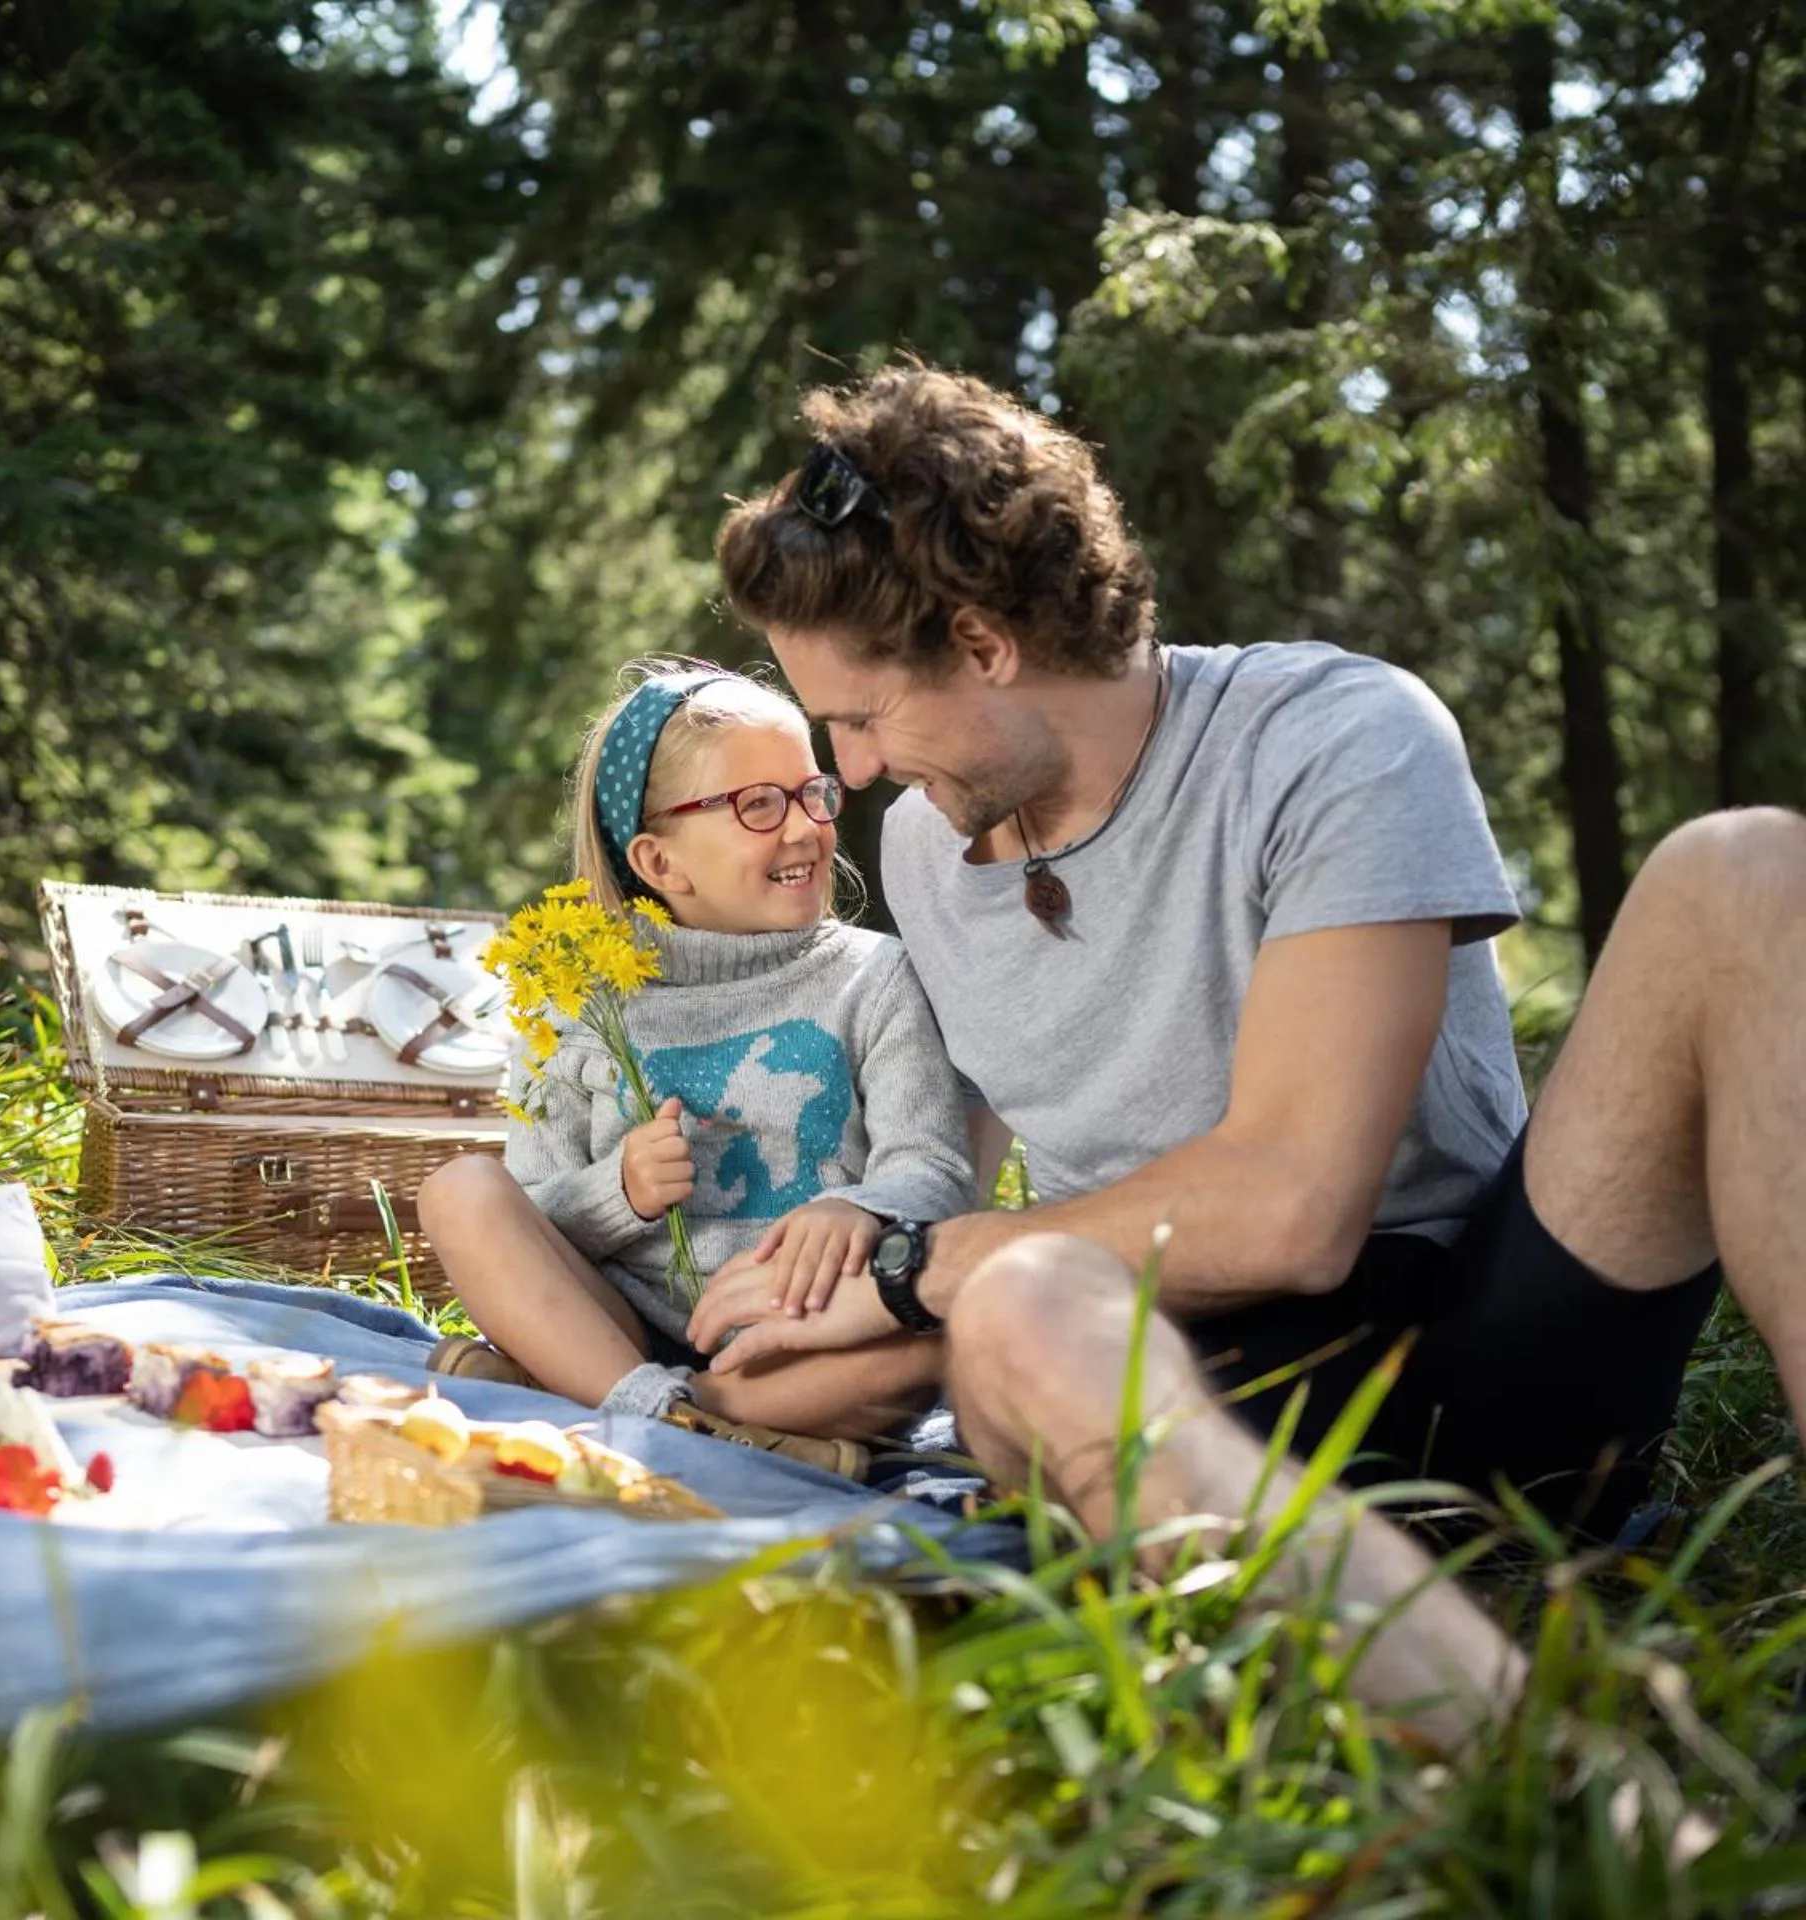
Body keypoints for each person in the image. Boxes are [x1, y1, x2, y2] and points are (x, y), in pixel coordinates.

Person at [690, 361, 1801, 1557]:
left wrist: (925, 1272)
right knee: (771, 1378)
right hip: (1160, 1362)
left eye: (862, 719)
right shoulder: (923, 843)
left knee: (1742, 872)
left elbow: (1292, 1213)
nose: (850, 772)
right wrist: (834, 1265)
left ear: (982, 641)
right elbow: (947, 1157)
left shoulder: (1334, 738)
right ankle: (1281, 1568)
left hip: (1472, 1345)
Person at [417, 662, 976, 1480]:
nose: (804, 827)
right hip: (616, 1329)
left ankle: (649, 1411)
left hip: (801, 1339)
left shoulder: (873, 977)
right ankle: (669, 1410)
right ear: (659, 862)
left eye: (812, 793)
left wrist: (862, 1208)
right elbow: (531, 1217)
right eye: (759, 805)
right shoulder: (577, 1001)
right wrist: (622, 1192)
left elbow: (935, 1169)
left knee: (942, 1339)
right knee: (458, 1192)